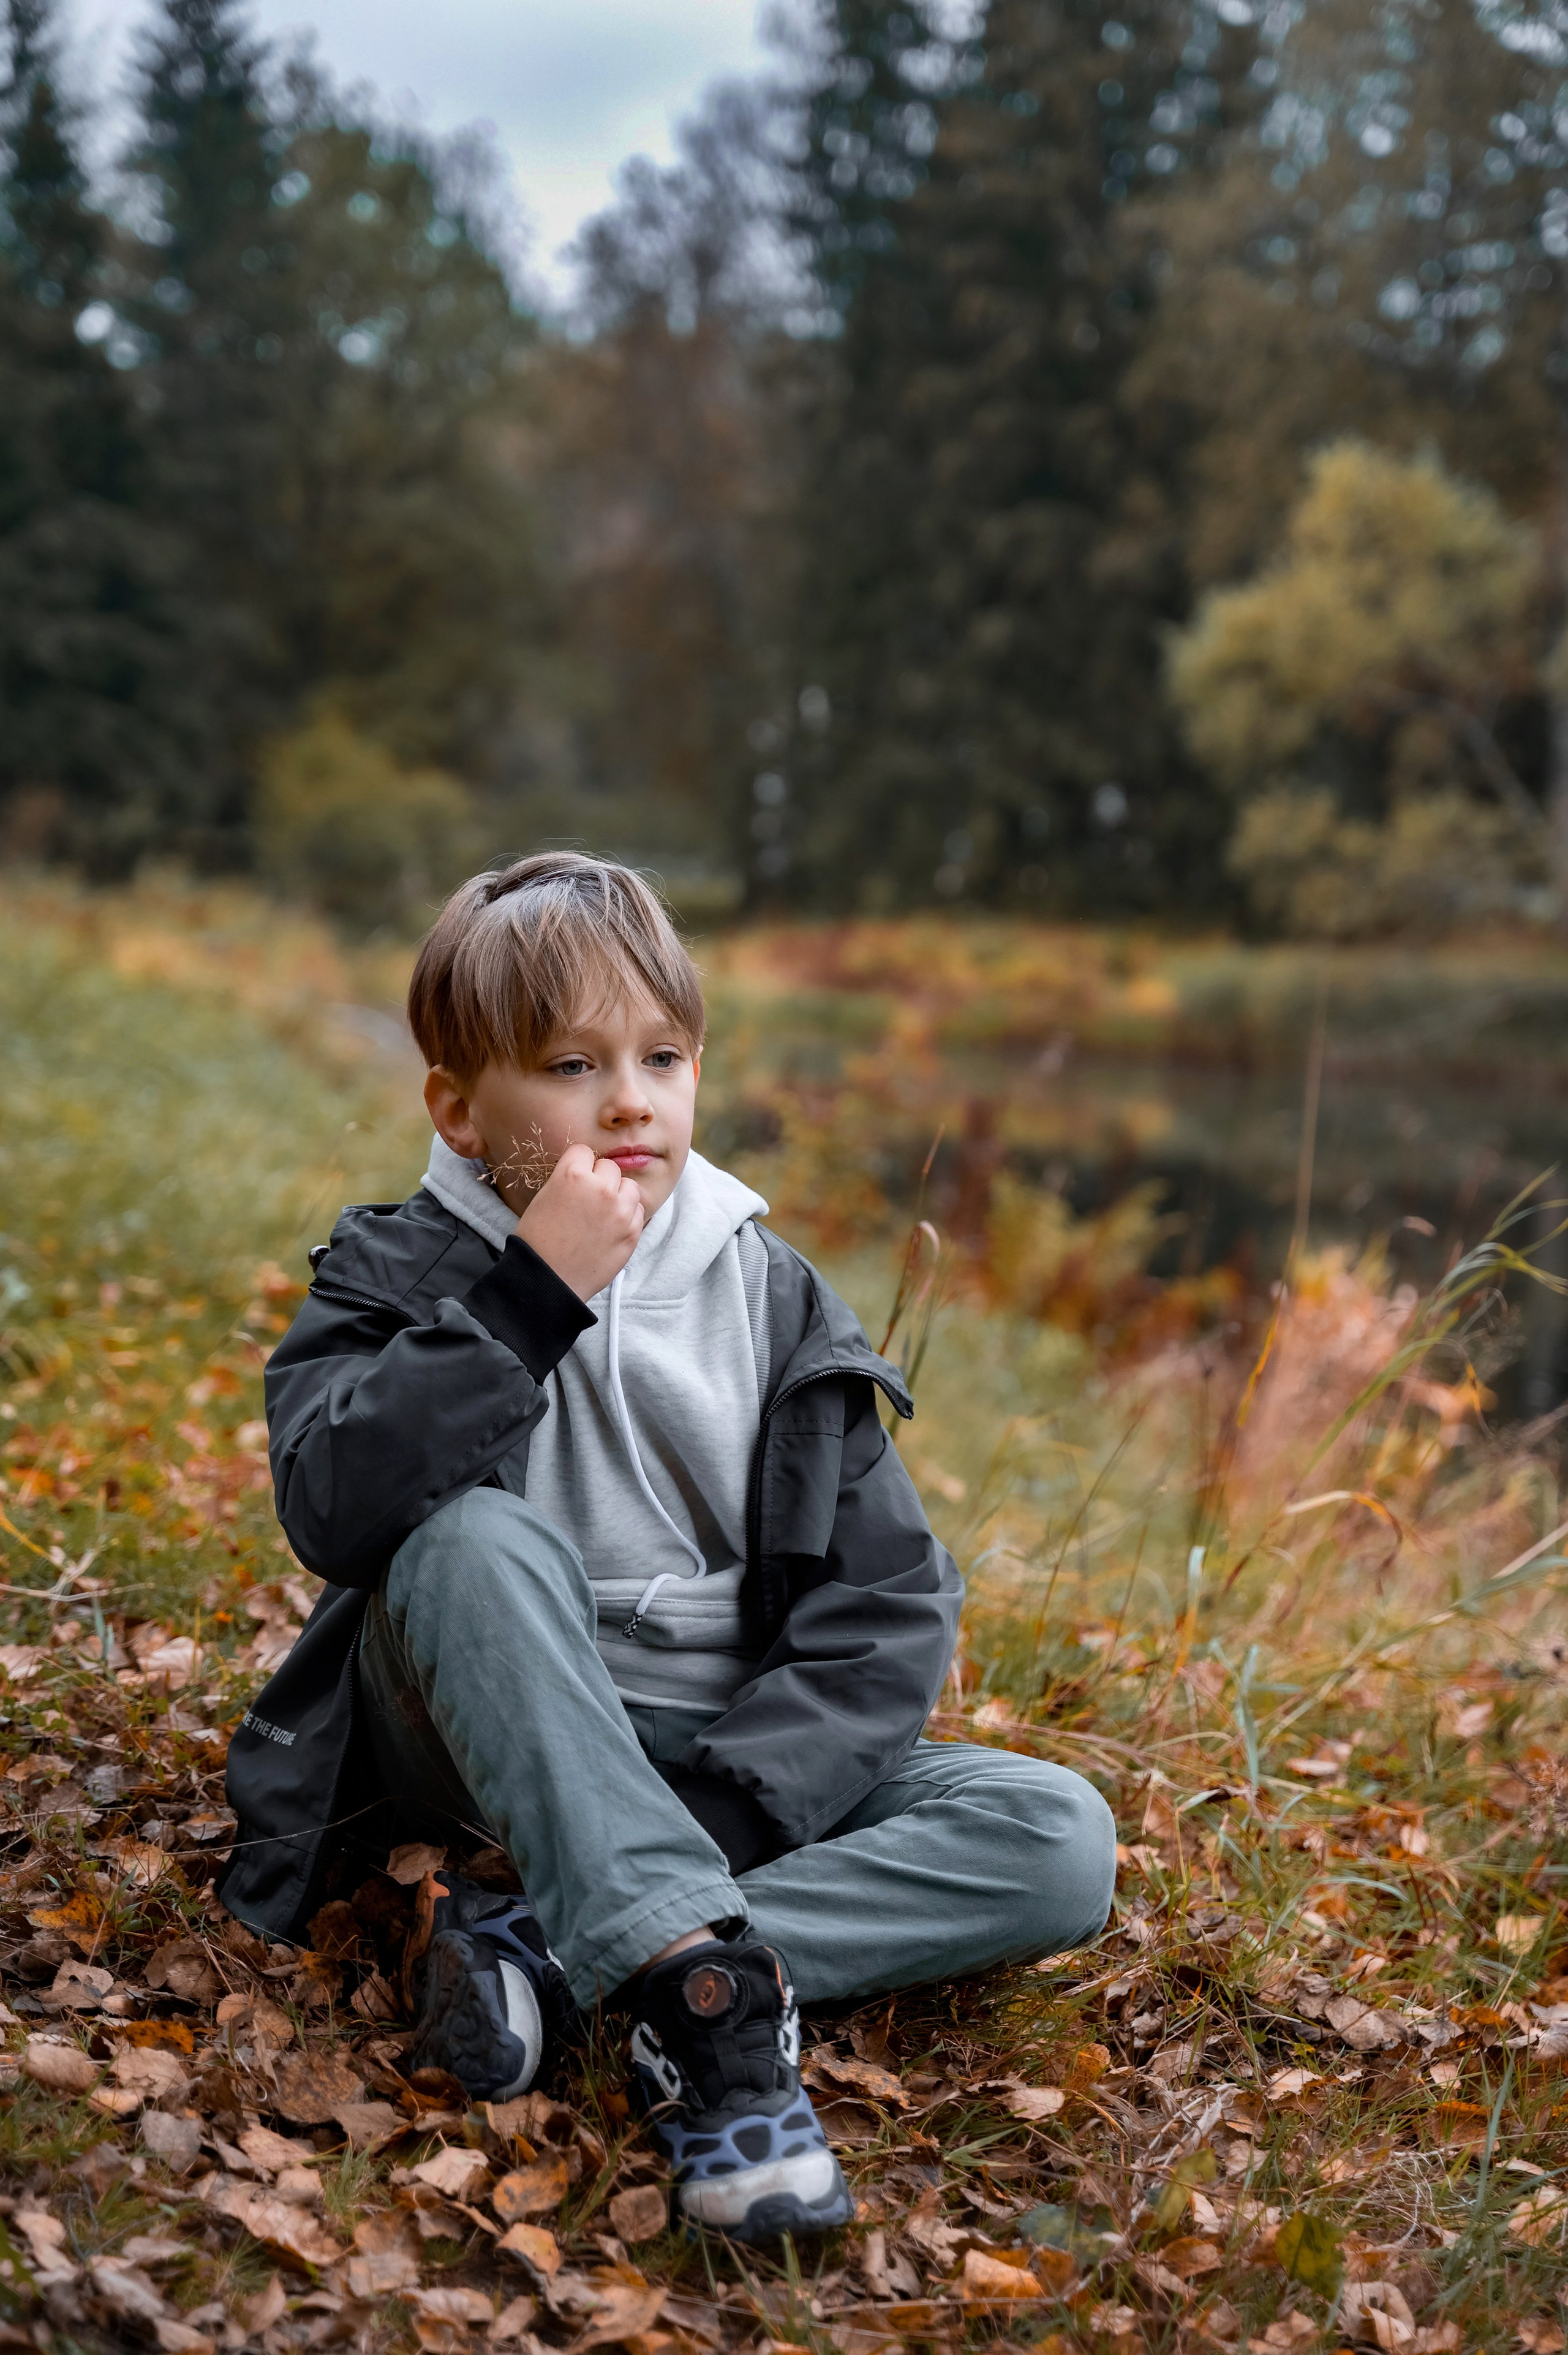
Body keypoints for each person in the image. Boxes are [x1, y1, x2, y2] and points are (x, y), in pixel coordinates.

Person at [220, 852, 1115, 2245]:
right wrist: (530, 1295)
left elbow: (883, 1602)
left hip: (719, 1745)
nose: (630, 1098)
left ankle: (559, 1948)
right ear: (459, 1108)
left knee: (1054, 1838)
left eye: (661, 1055)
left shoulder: (764, 1287)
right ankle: (714, 2029)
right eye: (572, 1062)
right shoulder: (399, 1265)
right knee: (468, 1537)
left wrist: (735, 1810)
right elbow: (335, 1502)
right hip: (477, 1717)